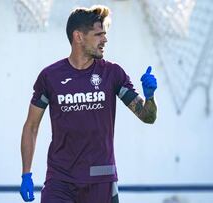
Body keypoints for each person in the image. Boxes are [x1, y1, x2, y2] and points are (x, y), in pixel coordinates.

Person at [20, 5, 157, 203]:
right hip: (60, 181)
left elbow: (148, 117)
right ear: (79, 37)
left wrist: (150, 96)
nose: (105, 39)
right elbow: (31, 126)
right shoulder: (49, 77)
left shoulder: (113, 74)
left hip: (101, 180)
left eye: (105, 34)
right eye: (98, 34)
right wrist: (26, 174)